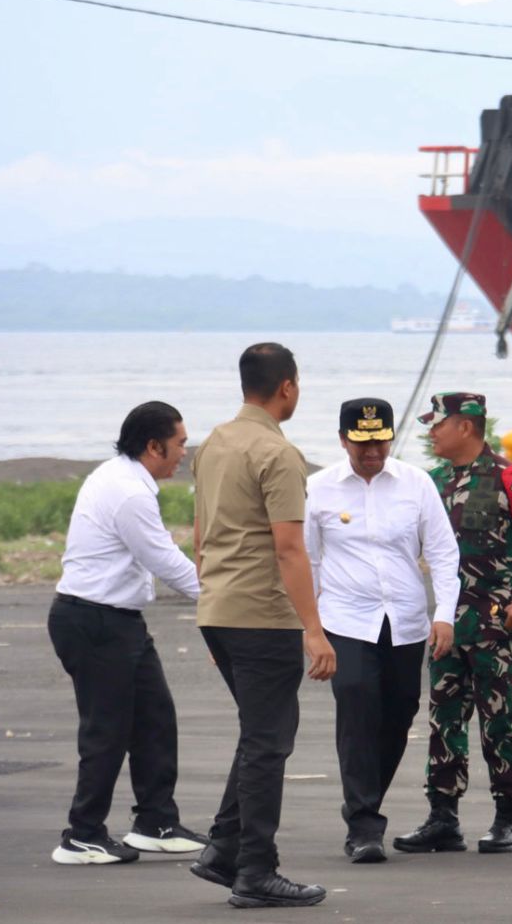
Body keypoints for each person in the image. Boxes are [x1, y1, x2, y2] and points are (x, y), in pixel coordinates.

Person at [191, 342, 335, 909]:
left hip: (220, 609)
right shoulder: (279, 454)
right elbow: (289, 548)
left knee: (262, 734)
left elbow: (201, 536)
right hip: (262, 615)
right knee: (268, 742)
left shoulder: (213, 444)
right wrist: (315, 630)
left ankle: (225, 848)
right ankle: (256, 869)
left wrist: (216, 612)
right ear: (288, 387)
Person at [395, 392, 512, 856]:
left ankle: (508, 819)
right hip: (448, 624)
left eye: (438, 424)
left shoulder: (509, 477)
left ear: (465, 426)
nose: (432, 432)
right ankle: (442, 818)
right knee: (443, 718)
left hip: (496, 626)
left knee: (499, 721)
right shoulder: (432, 482)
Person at [48, 401, 206, 865]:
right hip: (94, 621)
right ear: (153, 445)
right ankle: (81, 834)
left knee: (156, 718)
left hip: (116, 621)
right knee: (107, 731)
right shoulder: (128, 491)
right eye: (179, 445)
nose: (184, 454)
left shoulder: (121, 476)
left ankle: (155, 822)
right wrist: (221, 600)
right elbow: (165, 561)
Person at [306, 398, 462, 864]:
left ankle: (363, 799)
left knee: (398, 714)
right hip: (345, 619)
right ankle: (363, 825)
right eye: (362, 443)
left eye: (380, 441)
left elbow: (444, 553)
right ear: (342, 440)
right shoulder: (318, 489)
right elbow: (308, 562)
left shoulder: (416, 484)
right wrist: (310, 629)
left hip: (407, 620)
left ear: (391, 438)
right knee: (356, 704)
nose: (372, 451)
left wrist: (445, 613)